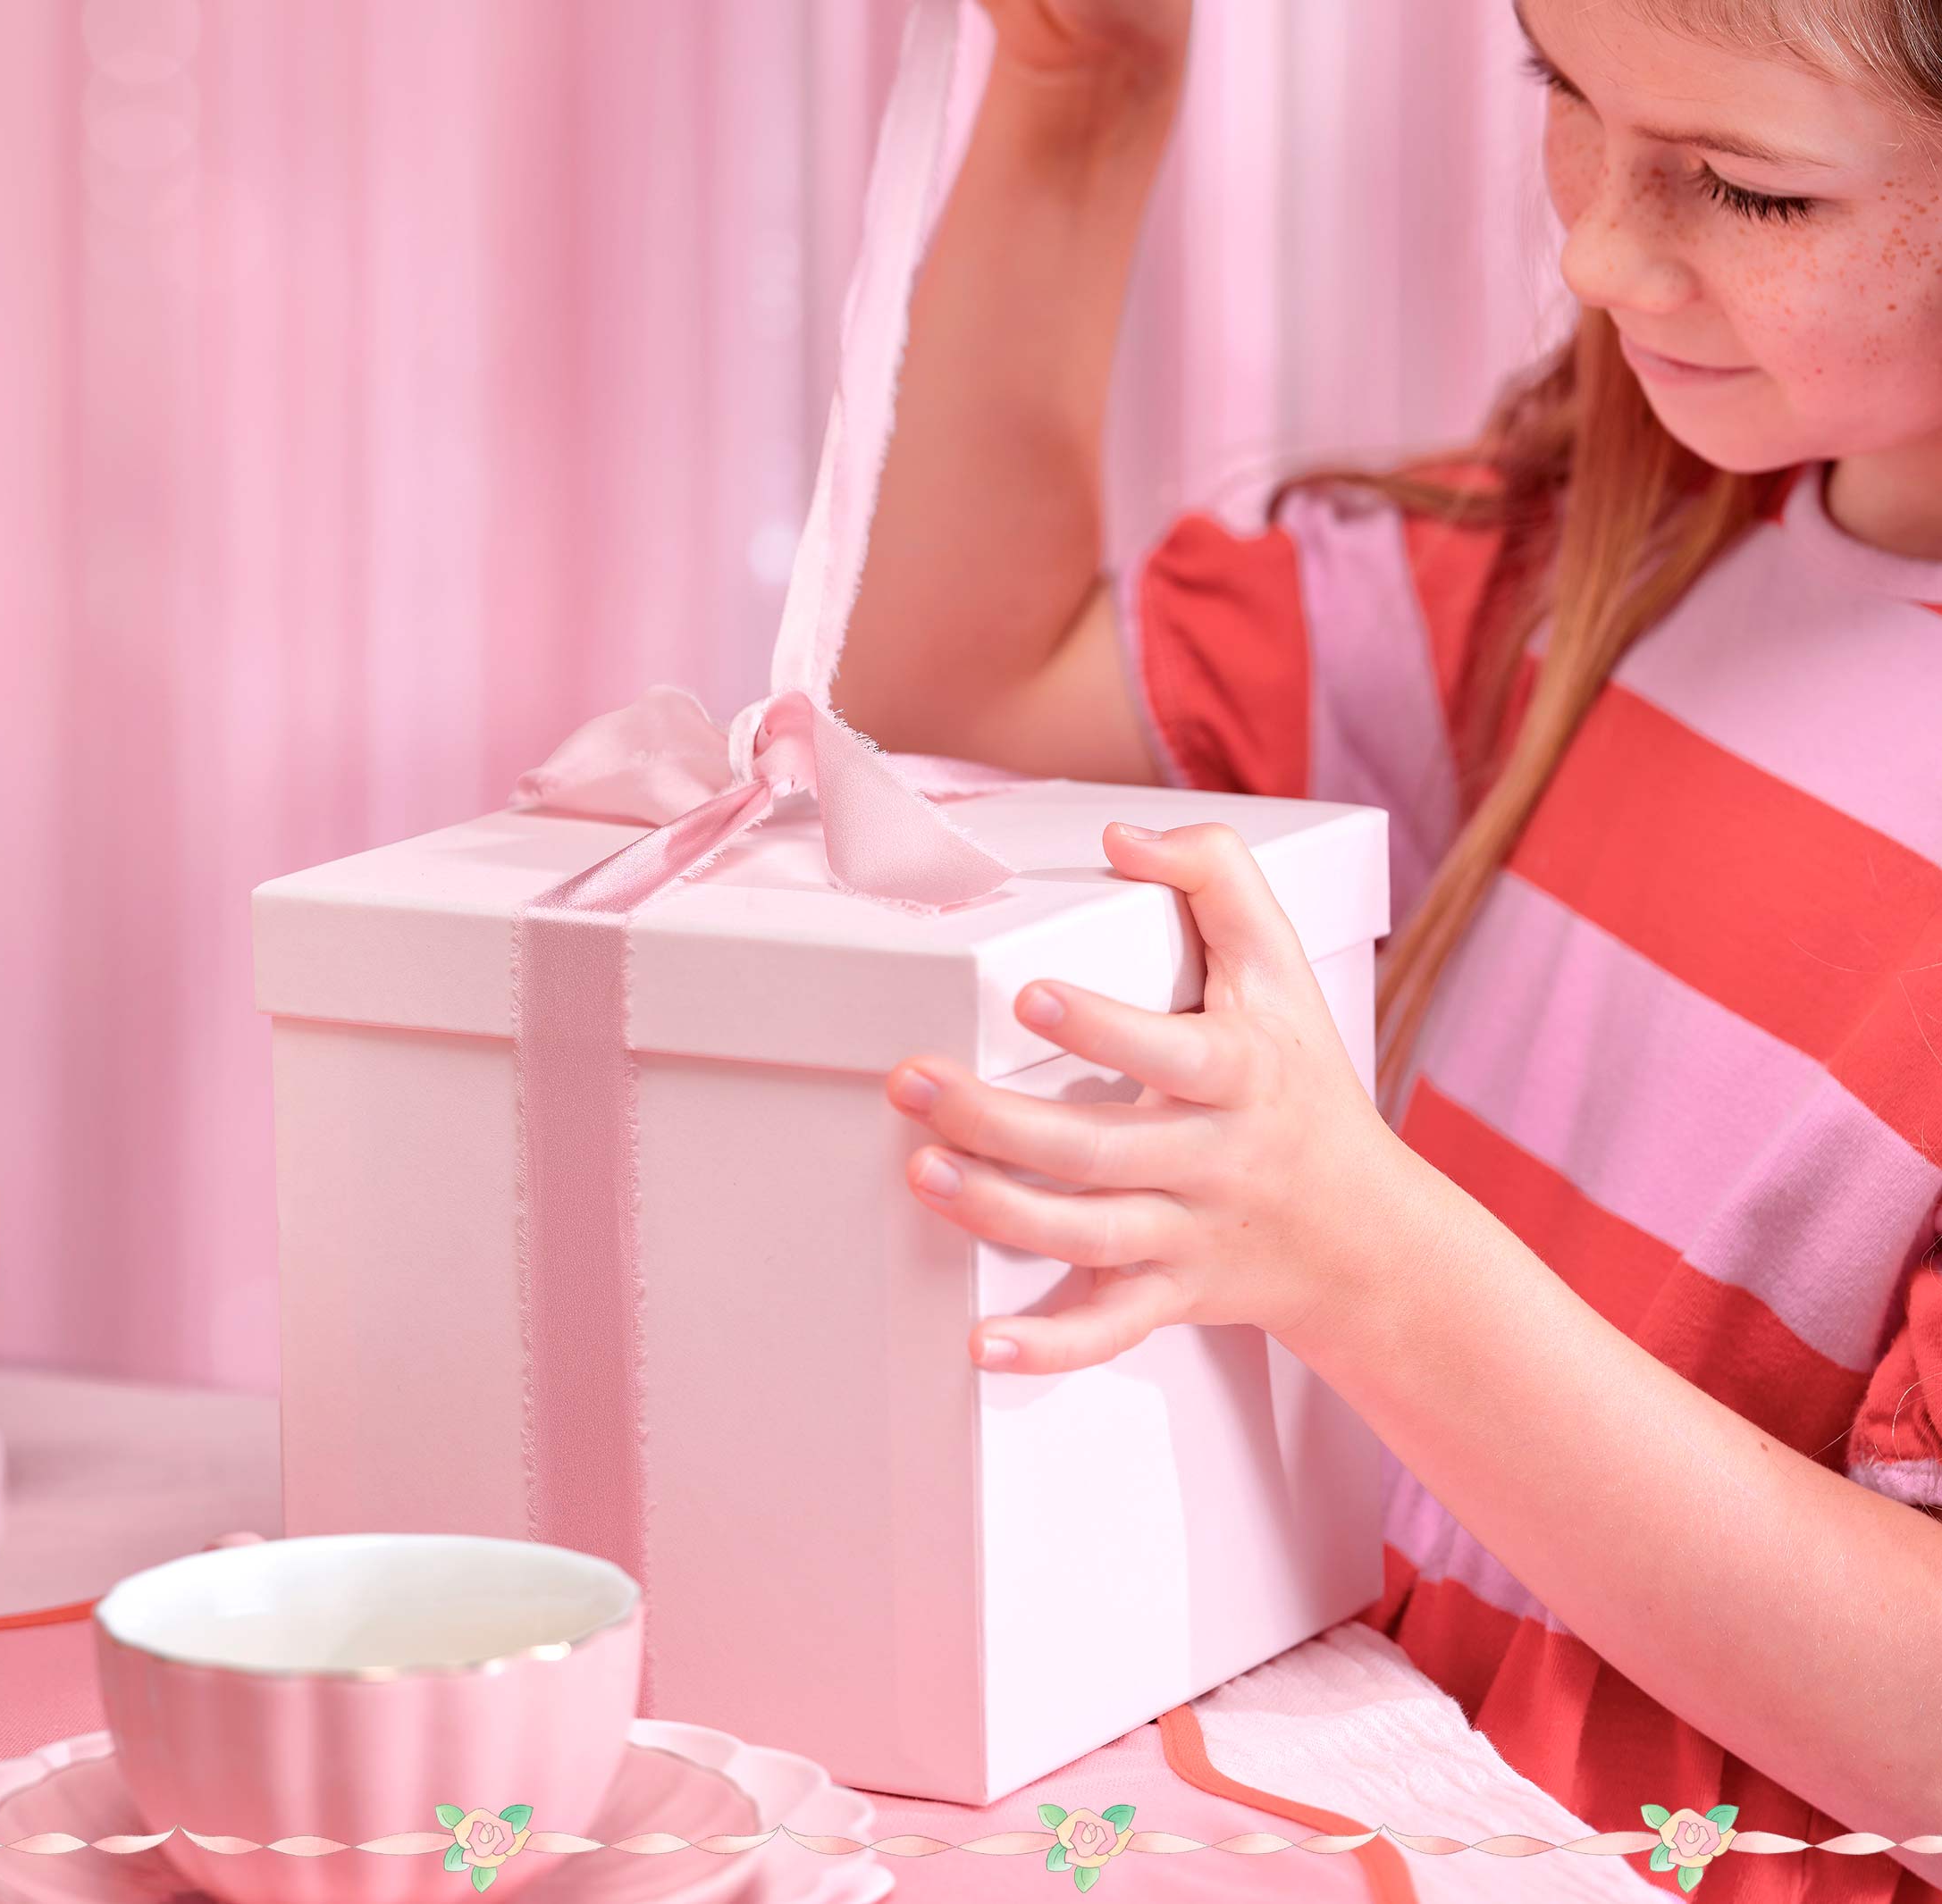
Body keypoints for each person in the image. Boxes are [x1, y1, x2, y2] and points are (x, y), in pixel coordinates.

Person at [831, 1, 1942, 1894]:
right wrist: (1078, 99)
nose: (1592, 253)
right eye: (1563, 99)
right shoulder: (1634, 543)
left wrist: (1366, 1266)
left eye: (1747, 191)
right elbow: (965, 691)